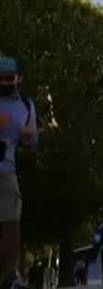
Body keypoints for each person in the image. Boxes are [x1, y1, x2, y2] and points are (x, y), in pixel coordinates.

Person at [0, 57, 38, 289]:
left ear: (17, 79)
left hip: (6, 169)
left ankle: (10, 276)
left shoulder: (25, 105)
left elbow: (34, 141)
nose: (4, 82)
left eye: (9, 78)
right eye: (0, 78)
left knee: (11, 222)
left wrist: (28, 135)